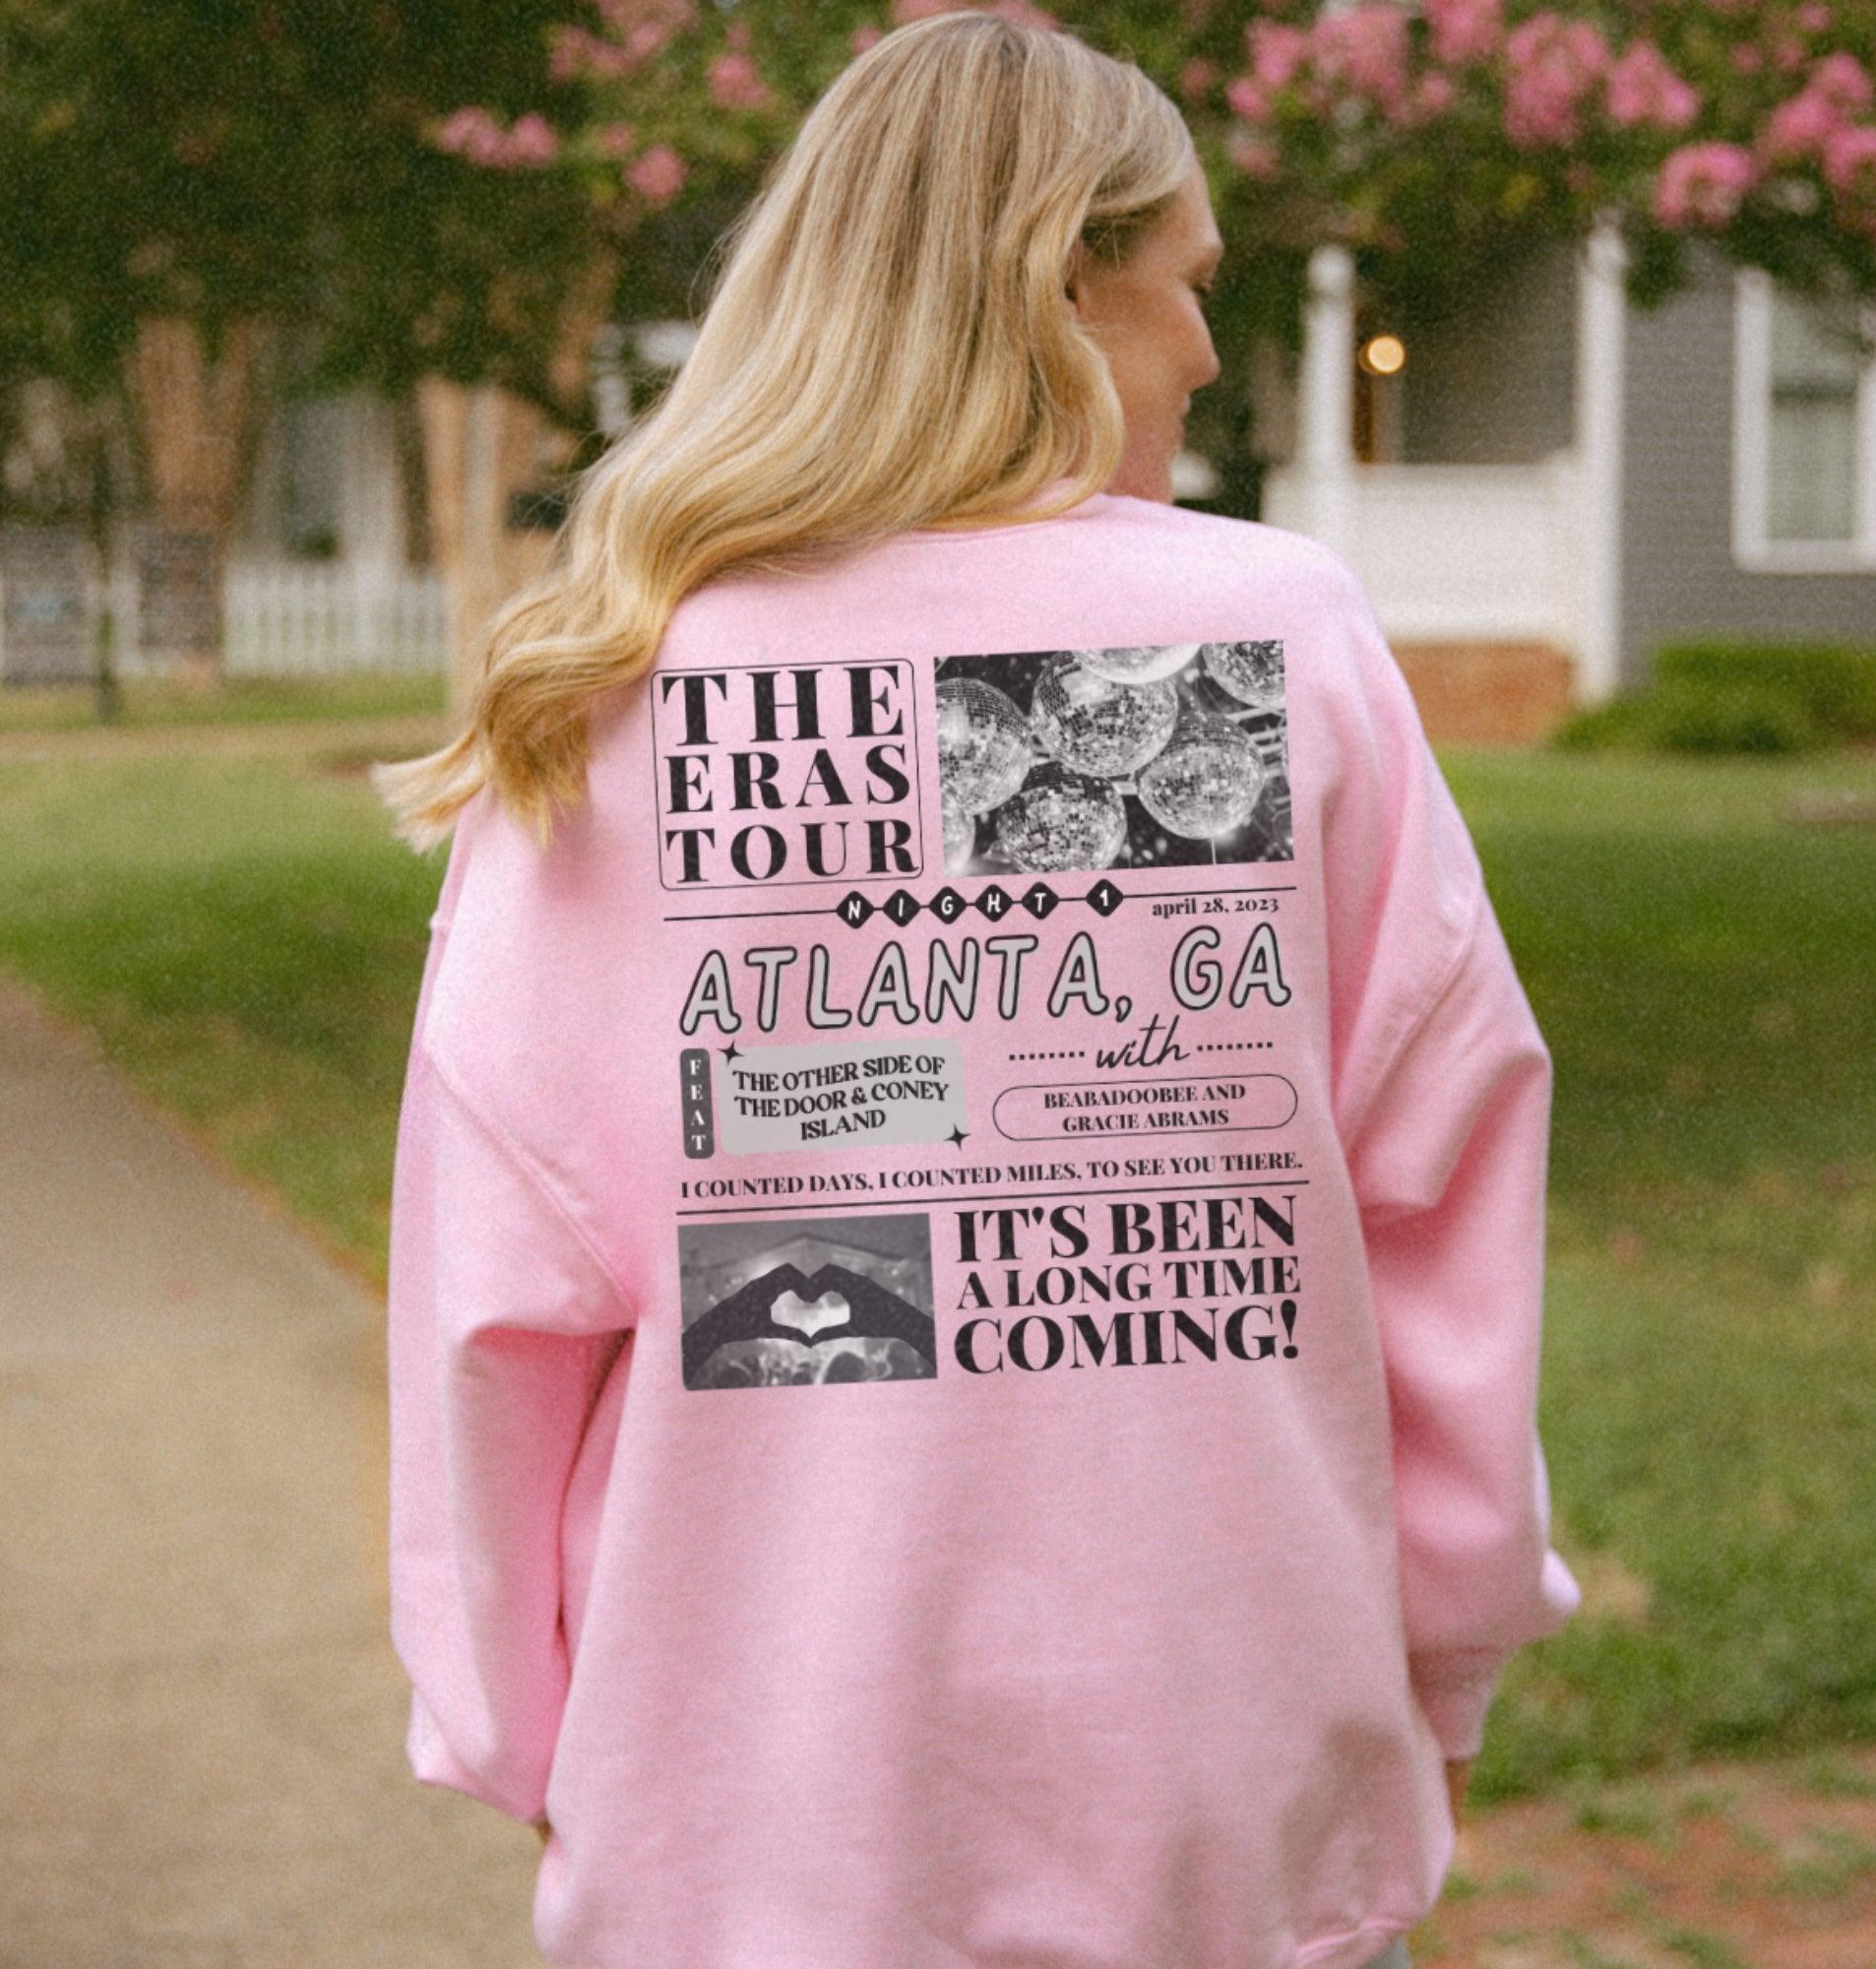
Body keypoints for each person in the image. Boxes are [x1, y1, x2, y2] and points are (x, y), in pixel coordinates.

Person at [375, 15, 1580, 1969]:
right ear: (1060, 281)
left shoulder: (625, 685)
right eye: (1187, 286)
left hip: (754, 1815)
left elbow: (494, 1289)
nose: (1204, 347)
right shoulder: (1280, 633)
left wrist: (519, 1722)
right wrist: (1442, 1639)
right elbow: (1437, 1193)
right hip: (1227, 1779)